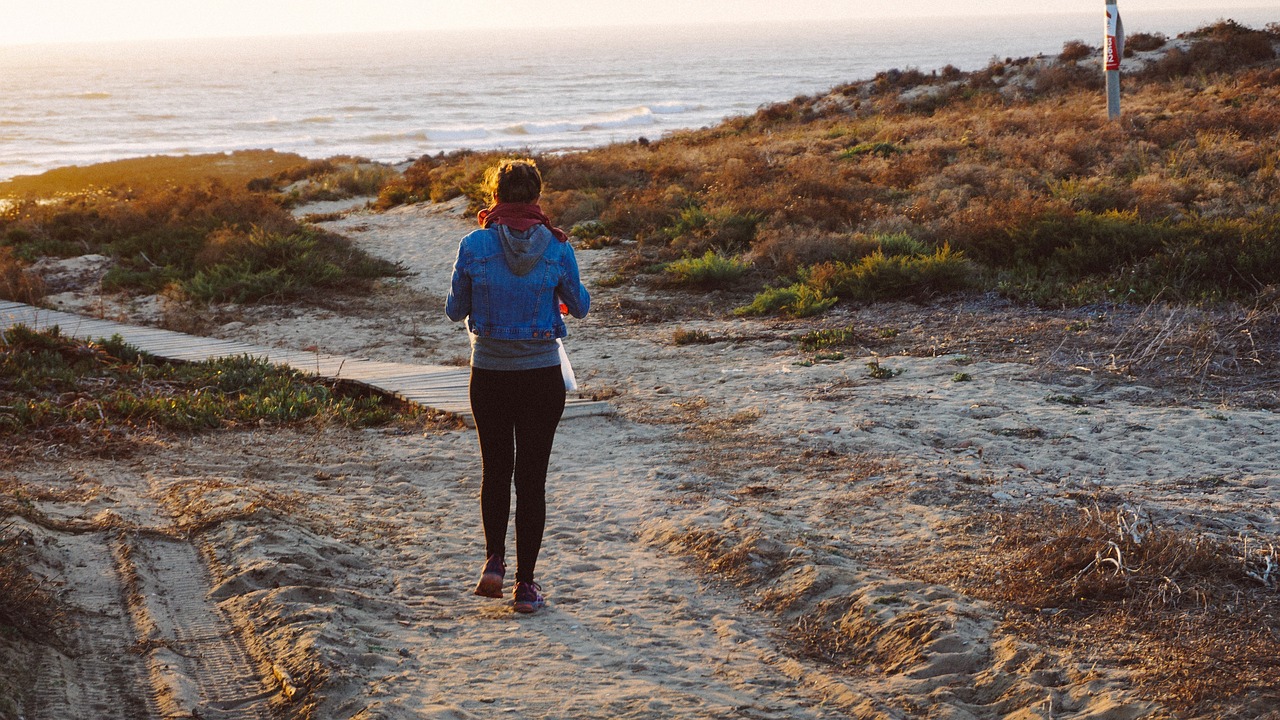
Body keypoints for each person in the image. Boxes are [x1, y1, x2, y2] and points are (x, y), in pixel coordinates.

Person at [445, 158, 590, 613]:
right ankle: (526, 586)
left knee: (495, 471)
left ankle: (493, 562)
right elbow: (580, 306)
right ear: (536, 197)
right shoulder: (557, 246)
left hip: (489, 373)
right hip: (541, 376)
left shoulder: (473, 244)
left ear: (496, 196)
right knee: (532, 480)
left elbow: (454, 310)